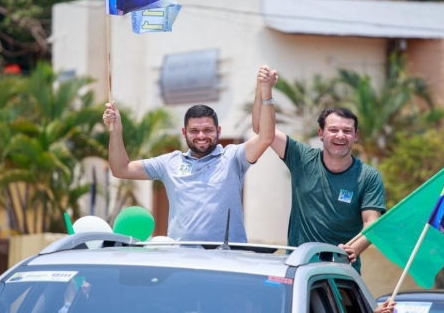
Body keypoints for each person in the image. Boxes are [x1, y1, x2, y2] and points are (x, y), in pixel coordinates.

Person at [102, 65, 277, 242]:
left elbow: (265, 137)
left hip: (227, 257)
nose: (201, 136)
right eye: (194, 131)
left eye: (208, 130)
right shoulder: (169, 163)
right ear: (184, 133)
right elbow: (121, 169)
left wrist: (265, 91)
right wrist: (116, 129)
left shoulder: (233, 158)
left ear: (218, 131)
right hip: (182, 259)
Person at [251, 69, 386, 275]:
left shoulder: (368, 176)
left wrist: (355, 248)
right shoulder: (302, 158)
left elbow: (371, 222)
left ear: (355, 135)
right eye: (333, 130)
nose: (340, 135)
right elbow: (263, 131)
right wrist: (264, 90)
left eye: (347, 131)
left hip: (342, 272)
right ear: (321, 133)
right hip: (299, 269)